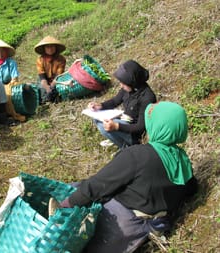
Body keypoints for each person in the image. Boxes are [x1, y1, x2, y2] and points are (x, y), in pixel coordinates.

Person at [56, 101, 198, 253]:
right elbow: (191, 188)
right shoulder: (182, 161)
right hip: (136, 233)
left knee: (77, 190)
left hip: (116, 225)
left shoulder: (138, 155)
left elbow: (97, 186)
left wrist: (65, 206)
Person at [87, 60, 156, 149]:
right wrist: (100, 106)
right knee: (97, 120)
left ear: (132, 83)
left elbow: (140, 127)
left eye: (123, 83)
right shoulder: (129, 88)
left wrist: (116, 126)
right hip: (125, 121)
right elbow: (115, 101)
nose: (121, 86)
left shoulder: (147, 98)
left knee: (102, 124)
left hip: (134, 133)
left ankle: (127, 148)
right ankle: (119, 139)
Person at [0, 39, 26, 122]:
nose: (0, 53)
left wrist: (8, 85)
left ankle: (12, 113)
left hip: (10, 84)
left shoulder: (11, 62)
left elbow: (15, 77)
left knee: (8, 94)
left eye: (2, 51)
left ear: (6, 52)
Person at [34, 35, 66, 103]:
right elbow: (42, 78)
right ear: (44, 48)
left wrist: (51, 87)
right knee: (41, 92)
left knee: (57, 93)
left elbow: (58, 76)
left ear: (55, 47)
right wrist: (47, 88)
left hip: (57, 80)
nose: (50, 49)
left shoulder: (61, 59)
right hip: (44, 81)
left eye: (52, 46)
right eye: (47, 47)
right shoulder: (40, 60)